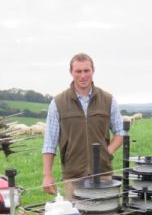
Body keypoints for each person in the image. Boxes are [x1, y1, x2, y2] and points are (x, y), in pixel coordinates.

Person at [42, 53, 125, 198]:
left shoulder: (108, 99)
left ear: (93, 71)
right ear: (71, 72)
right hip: (74, 176)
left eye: (86, 71)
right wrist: (47, 175)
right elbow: (50, 142)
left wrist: (106, 152)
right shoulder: (58, 103)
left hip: (103, 174)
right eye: (78, 71)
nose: (83, 76)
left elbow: (120, 132)